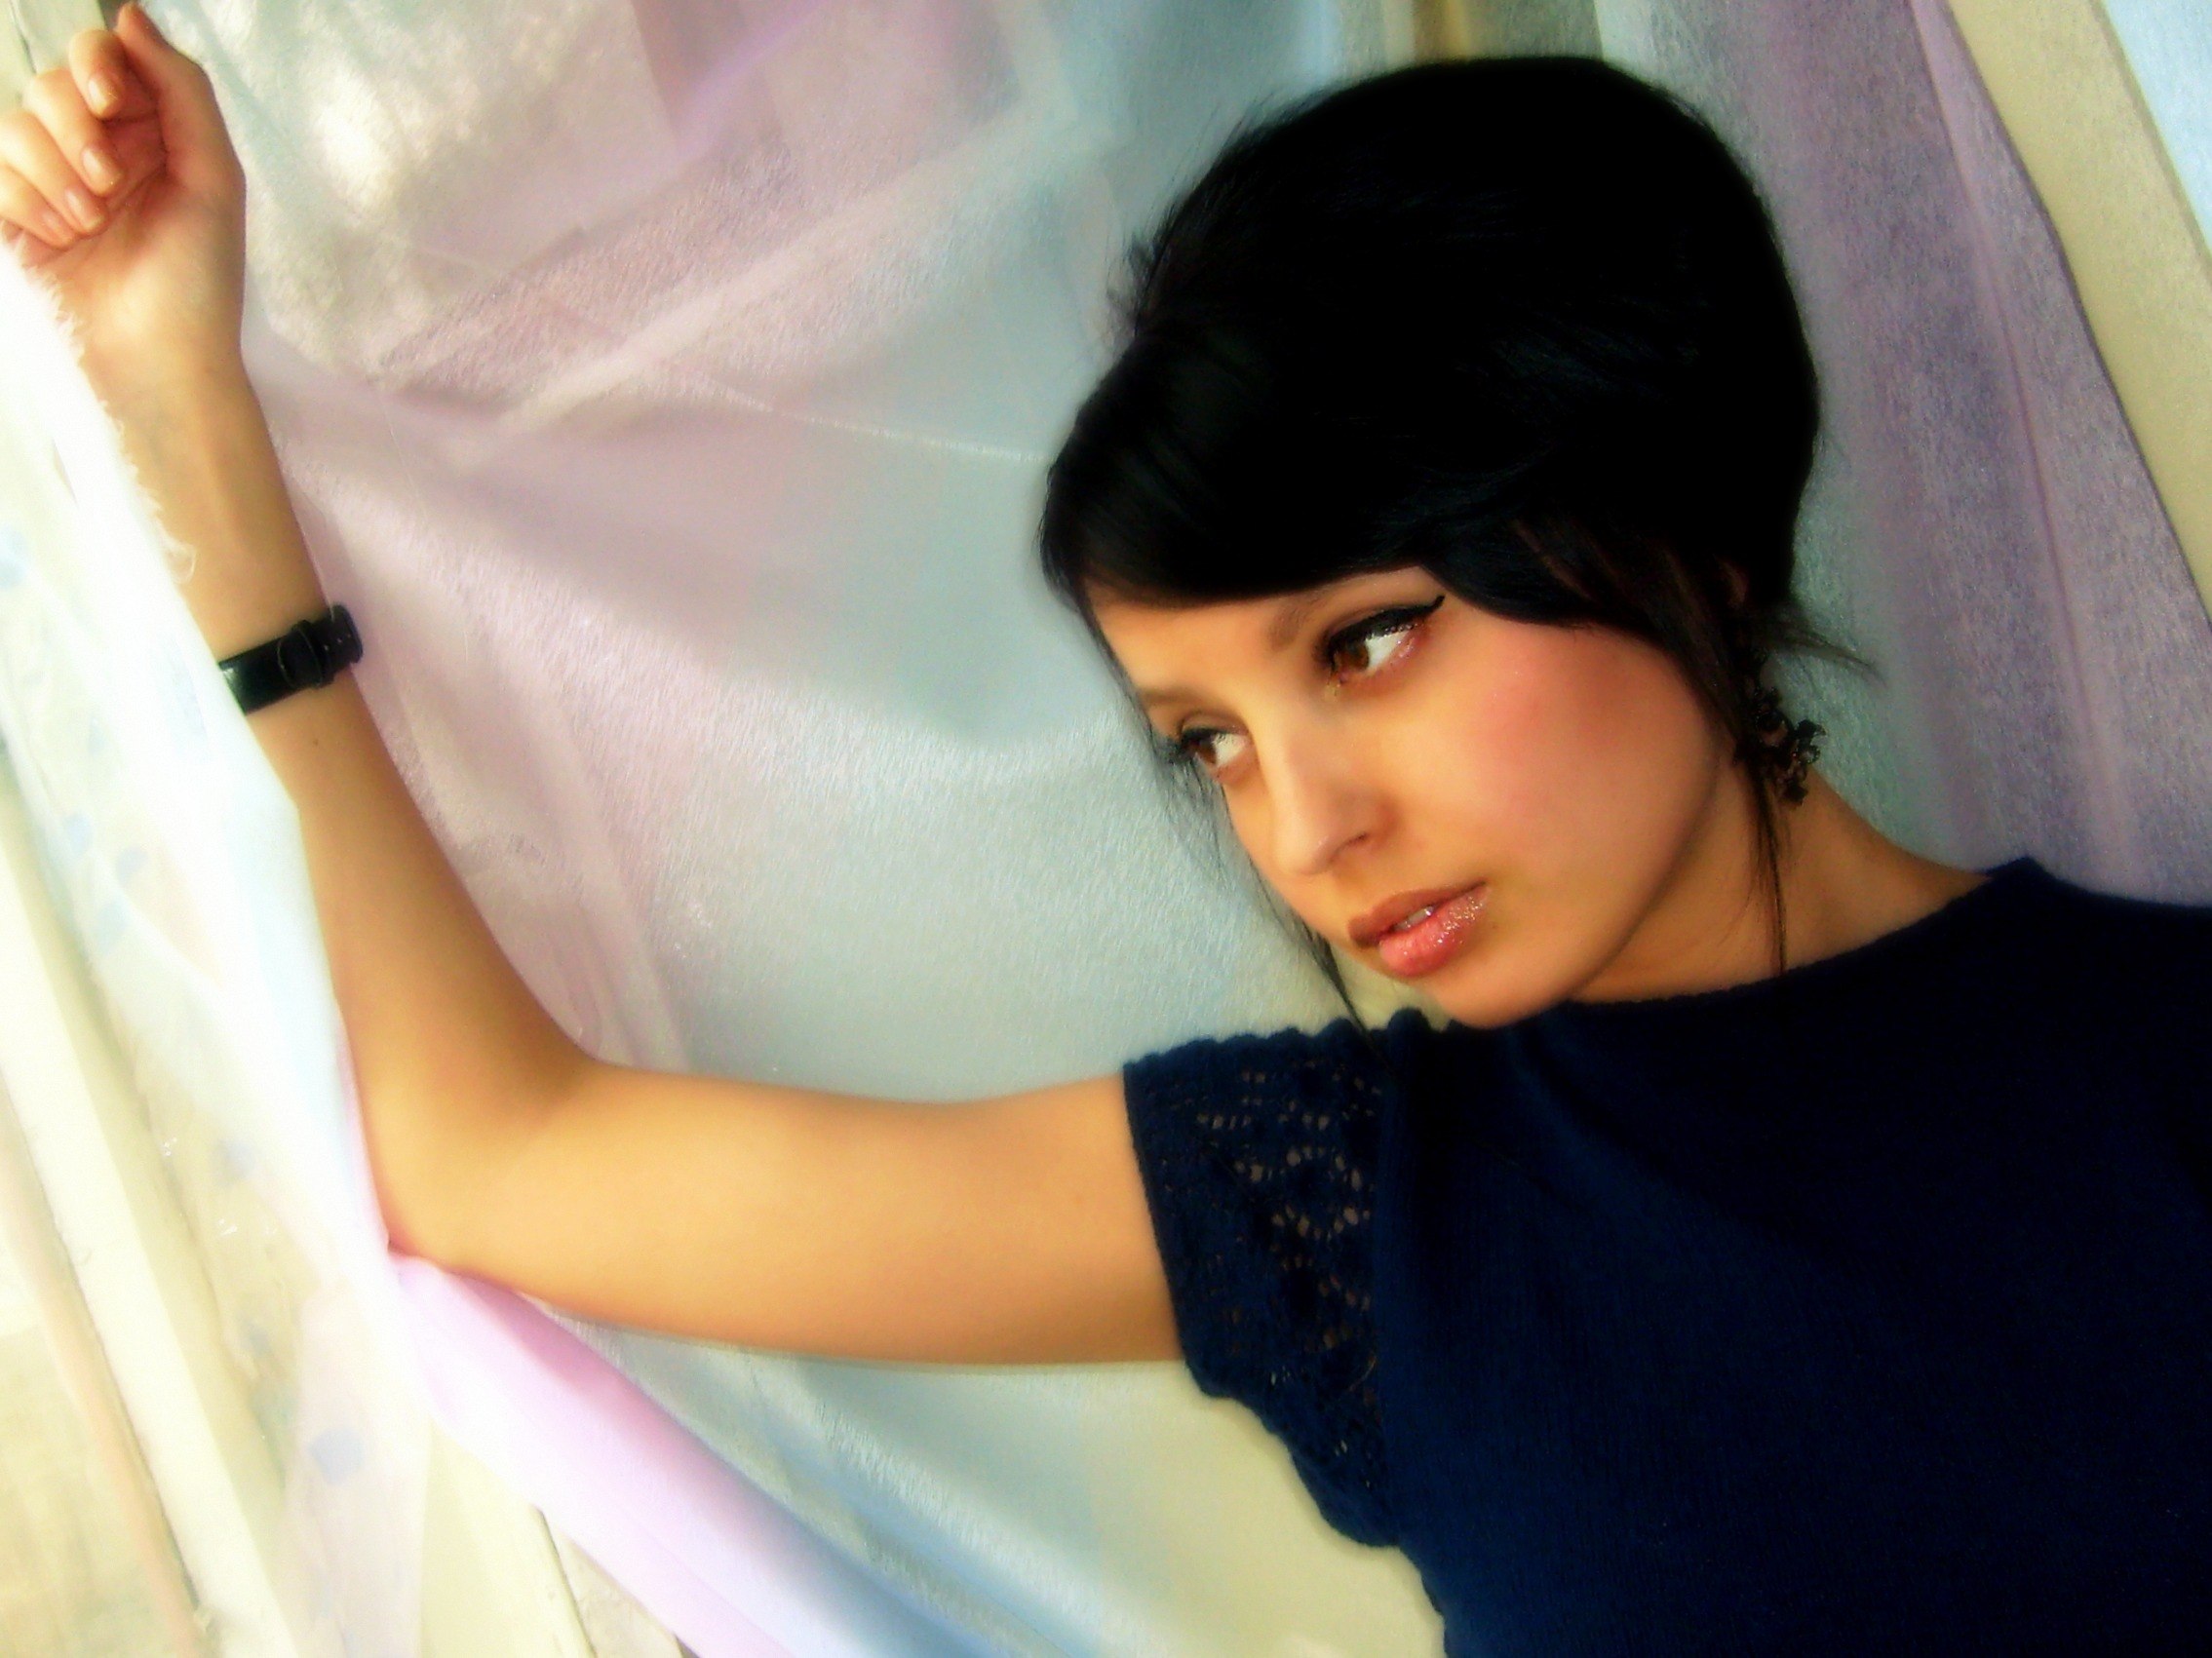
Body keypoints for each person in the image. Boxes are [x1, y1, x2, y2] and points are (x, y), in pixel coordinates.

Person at [6, 10, 2210, 1654]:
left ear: (1690, 520)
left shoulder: (2169, 1051)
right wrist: (182, 403)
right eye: (1204, 742)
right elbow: (502, 1156)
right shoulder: (1359, 1211)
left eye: (1365, 644)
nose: (1305, 826)